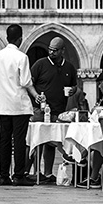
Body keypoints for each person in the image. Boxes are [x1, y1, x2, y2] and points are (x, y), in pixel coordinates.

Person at [0, 24, 40, 186]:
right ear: (20, 38)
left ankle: (3, 176)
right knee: (19, 140)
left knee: (4, 140)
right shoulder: (21, 57)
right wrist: (36, 95)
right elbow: (26, 81)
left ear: (6, 38)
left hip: (3, 104)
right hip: (19, 105)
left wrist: (5, 85)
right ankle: (19, 175)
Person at [30, 37, 78, 183]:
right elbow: (29, 83)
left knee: (51, 141)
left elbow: (74, 85)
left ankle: (48, 173)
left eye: (55, 50)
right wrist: (36, 95)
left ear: (63, 50)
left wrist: (72, 91)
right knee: (38, 141)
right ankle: (35, 171)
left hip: (59, 111)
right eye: (50, 49)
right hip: (40, 110)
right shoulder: (40, 64)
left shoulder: (69, 67)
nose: (52, 52)